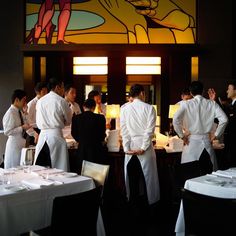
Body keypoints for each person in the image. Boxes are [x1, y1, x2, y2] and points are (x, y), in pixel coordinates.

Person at [173, 81, 228, 183]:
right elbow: (224, 119)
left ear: (191, 92)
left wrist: (182, 136)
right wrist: (216, 135)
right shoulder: (212, 103)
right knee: (209, 176)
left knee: (189, 176)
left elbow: (175, 120)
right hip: (206, 142)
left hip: (191, 143)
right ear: (203, 91)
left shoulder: (185, 104)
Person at [120, 84, 160, 207]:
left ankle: (133, 211)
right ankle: (150, 211)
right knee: (148, 181)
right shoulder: (150, 108)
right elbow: (149, 131)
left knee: (133, 183)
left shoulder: (124, 108)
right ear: (142, 93)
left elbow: (124, 130)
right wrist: (143, 148)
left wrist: (127, 149)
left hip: (131, 149)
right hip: (146, 150)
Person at [34, 77, 72, 171]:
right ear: (57, 87)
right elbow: (68, 120)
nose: (63, 90)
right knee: (59, 169)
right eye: (62, 88)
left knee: (42, 169)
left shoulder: (40, 101)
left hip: (42, 136)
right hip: (56, 136)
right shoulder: (61, 101)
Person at [71, 98, 107, 172]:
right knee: (95, 175)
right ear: (94, 107)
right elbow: (102, 134)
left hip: (82, 150)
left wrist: (81, 140)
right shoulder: (100, 118)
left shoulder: (76, 118)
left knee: (81, 174)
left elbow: (73, 133)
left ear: (83, 107)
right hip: (96, 150)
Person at [208, 81, 236, 167]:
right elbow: (222, 116)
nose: (227, 91)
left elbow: (226, 118)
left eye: (229, 89)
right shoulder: (231, 104)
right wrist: (214, 101)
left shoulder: (232, 106)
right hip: (229, 142)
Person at [2, 89, 31, 168]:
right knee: (14, 169)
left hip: (21, 143)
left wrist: (25, 113)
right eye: (24, 100)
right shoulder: (10, 113)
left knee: (21, 168)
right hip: (14, 145)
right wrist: (21, 128)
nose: (25, 103)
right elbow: (7, 131)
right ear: (17, 100)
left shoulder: (19, 111)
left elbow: (26, 123)